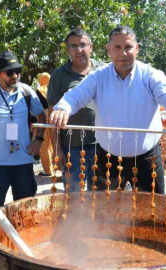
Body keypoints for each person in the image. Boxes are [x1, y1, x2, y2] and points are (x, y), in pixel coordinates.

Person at [50, 26, 166, 194]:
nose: (123, 53)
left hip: (147, 159)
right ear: (109, 50)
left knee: (153, 212)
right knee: (104, 212)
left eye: (128, 47)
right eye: (117, 48)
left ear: (136, 49)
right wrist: (63, 108)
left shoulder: (150, 75)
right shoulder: (98, 76)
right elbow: (77, 95)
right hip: (108, 159)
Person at [0, 51, 45, 207]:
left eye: (17, 71)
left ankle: (21, 233)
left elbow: (41, 116)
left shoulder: (26, 91)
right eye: (10, 72)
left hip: (23, 163)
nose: (15, 76)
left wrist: (38, 139)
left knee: (25, 209)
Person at [47, 28, 105, 192]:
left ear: (91, 47)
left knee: (102, 195)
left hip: (103, 146)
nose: (79, 50)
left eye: (82, 45)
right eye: (73, 46)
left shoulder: (104, 71)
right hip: (72, 147)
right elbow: (52, 115)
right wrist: (57, 149)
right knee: (73, 197)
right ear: (68, 50)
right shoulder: (59, 75)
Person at [35, 72, 53, 176]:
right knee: (52, 144)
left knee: (44, 146)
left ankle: (48, 170)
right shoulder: (53, 89)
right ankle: (54, 167)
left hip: (44, 119)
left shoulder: (39, 91)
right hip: (54, 118)